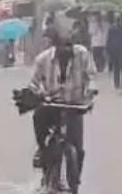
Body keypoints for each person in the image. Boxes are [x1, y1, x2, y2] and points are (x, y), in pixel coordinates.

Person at [27, 29, 97, 170]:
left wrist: (90, 93)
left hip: (74, 104)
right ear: (55, 46)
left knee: (77, 147)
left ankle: (75, 180)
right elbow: (33, 83)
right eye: (62, 46)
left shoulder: (82, 55)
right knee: (39, 116)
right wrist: (39, 94)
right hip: (51, 103)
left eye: (69, 45)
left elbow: (91, 76)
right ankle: (42, 150)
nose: (66, 50)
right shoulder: (43, 59)